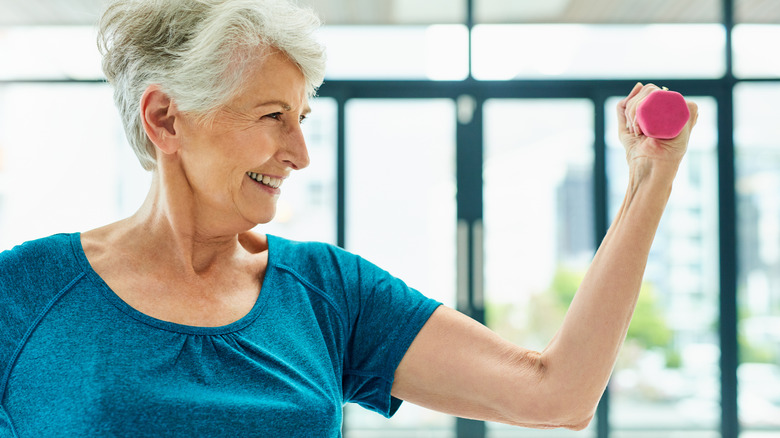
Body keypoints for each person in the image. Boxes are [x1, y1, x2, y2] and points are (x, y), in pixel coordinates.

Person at [0, 0, 698, 436]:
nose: (300, 153)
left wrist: (648, 183)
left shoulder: (329, 292)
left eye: (301, 119)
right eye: (273, 117)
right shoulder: (23, 293)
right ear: (165, 117)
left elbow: (559, 395)